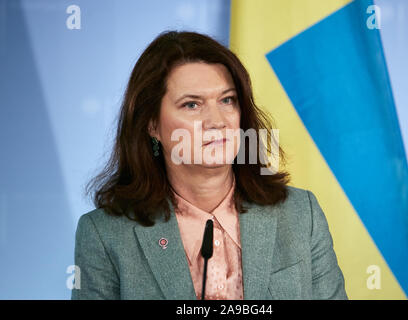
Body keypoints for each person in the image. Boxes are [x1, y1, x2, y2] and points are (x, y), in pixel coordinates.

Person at [71, 30, 347, 300]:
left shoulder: (300, 214)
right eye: (192, 105)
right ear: (152, 124)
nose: (217, 121)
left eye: (227, 100)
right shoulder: (104, 235)